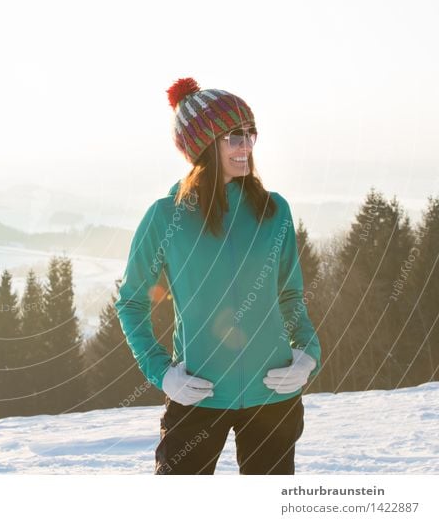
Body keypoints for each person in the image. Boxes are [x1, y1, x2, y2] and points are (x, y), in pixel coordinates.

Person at [114, 77, 322, 475]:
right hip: (197, 397)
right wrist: (162, 374)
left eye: (250, 134)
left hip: (273, 395)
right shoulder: (165, 217)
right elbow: (132, 302)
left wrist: (307, 354)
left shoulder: (274, 211)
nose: (246, 146)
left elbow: (291, 295)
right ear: (204, 146)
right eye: (233, 136)